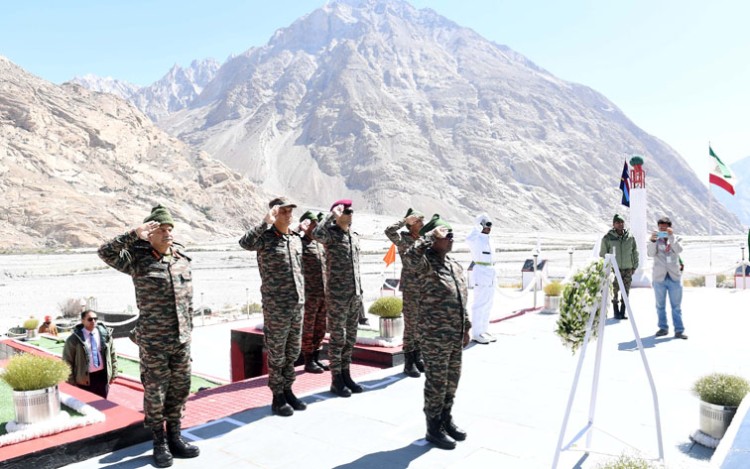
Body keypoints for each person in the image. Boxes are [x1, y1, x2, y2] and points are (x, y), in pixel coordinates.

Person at [98, 204, 200, 468]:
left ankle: (175, 436)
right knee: (156, 393)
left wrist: (189, 330)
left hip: (181, 341)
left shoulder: (181, 260)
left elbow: (188, 301)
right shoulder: (138, 260)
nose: (167, 233)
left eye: (169, 229)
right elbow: (105, 251)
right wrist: (135, 233)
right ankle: (159, 442)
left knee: (179, 390)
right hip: (154, 343)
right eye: (160, 230)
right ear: (149, 234)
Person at [404, 214, 471, 450]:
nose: (451, 239)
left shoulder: (453, 264)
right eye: (446, 235)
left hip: (454, 335)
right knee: (436, 382)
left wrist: (467, 326)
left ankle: (446, 418)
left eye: (452, 234)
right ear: (434, 239)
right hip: (434, 336)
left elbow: (461, 297)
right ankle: (433, 427)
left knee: (452, 380)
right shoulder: (425, 263)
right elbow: (410, 256)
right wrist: (430, 235)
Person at [239, 197, 307, 417]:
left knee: (292, 351)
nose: (289, 215)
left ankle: (288, 389)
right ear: (275, 213)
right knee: (277, 353)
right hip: (277, 306)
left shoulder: (295, 239)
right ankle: (277, 396)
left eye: (290, 211)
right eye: (284, 211)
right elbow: (244, 243)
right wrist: (264, 223)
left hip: (297, 304)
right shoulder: (265, 238)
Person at [312, 199, 365, 397]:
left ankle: (346, 374)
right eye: (346, 211)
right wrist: (330, 216)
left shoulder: (354, 236)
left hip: (354, 296)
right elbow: (316, 234)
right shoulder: (330, 235)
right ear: (338, 214)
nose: (350, 213)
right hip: (337, 296)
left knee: (350, 339)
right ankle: (336, 380)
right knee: (338, 339)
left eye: (352, 210)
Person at [384, 208, 426, 377]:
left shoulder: (423, 239)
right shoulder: (403, 239)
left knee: (421, 324)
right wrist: (404, 220)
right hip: (411, 288)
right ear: (411, 224)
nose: (423, 224)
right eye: (419, 221)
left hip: (425, 286)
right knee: (411, 326)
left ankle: (418, 356)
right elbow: (389, 231)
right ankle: (408, 363)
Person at [298, 210, 329, 374]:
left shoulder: (319, 244)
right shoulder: (298, 244)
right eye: (313, 225)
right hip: (309, 295)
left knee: (320, 328)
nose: (316, 228)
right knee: (308, 329)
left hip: (323, 294)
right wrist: (298, 230)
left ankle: (317, 358)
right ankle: (308, 361)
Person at [647, 216, 687, 339]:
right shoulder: (654, 240)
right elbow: (650, 254)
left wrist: (671, 237)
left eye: (665, 228)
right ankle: (663, 328)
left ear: (670, 228)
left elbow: (678, 250)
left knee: (676, 306)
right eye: (661, 228)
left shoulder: (677, 238)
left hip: (674, 277)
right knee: (660, 305)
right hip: (659, 278)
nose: (663, 230)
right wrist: (653, 241)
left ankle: (679, 330)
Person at [62, 310, 117, 399]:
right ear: (82, 320)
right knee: (88, 405)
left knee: (102, 403)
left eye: (95, 319)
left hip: (102, 376)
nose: (93, 321)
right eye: (90, 319)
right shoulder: (74, 339)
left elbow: (112, 354)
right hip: (85, 379)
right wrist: (71, 381)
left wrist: (113, 373)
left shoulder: (105, 335)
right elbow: (67, 361)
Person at [599, 214, 639, 319]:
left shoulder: (630, 237)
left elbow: (635, 252)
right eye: (617, 222)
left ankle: (623, 312)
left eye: (622, 222)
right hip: (613, 269)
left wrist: (634, 266)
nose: (620, 224)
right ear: (613, 224)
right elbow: (603, 254)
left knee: (626, 291)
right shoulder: (608, 238)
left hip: (627, 268)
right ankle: (616, 312)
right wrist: (606, 268)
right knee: (614, 291)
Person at [465, 213, 497, 344]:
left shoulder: (490, 240)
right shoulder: (475, 238)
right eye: (485, 224)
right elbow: (469, 238)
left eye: (490, 225)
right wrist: (477, 225)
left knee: (488, 303)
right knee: (480, 303)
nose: (488, 227)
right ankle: (477, 332)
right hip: (481, 272)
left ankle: (484, 329)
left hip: (491, 272)